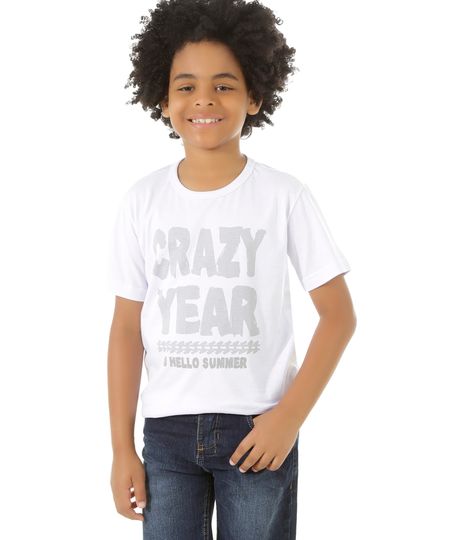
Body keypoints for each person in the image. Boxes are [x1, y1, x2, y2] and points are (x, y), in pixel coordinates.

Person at [107, 0, 357, 538]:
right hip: (167, 436)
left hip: (258, 429)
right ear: (163, 98)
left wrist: (288, 419)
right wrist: (121, 448)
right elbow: (127, 329)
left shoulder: (284, 196)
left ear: (255, 96)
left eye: (224, 85)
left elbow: (339, 316)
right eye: (186, 86)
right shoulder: (142, 201)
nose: (204, 99)